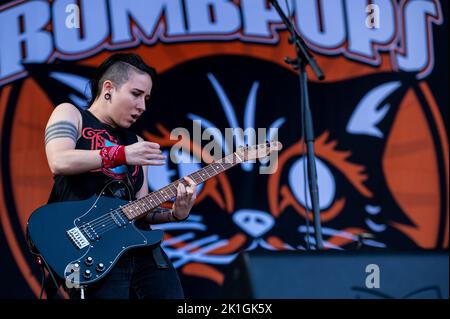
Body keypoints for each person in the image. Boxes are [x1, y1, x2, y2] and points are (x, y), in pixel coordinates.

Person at [43, 53, 196, 299]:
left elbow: (140, 209)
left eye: (146, 98)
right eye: (136, 94)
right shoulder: (71, 114)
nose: (142, 106)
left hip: (143, 252)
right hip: (93, 253)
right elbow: (59, 161)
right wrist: (121, 154)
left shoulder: (137, 142)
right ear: (108, 88)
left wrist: (175, 214)